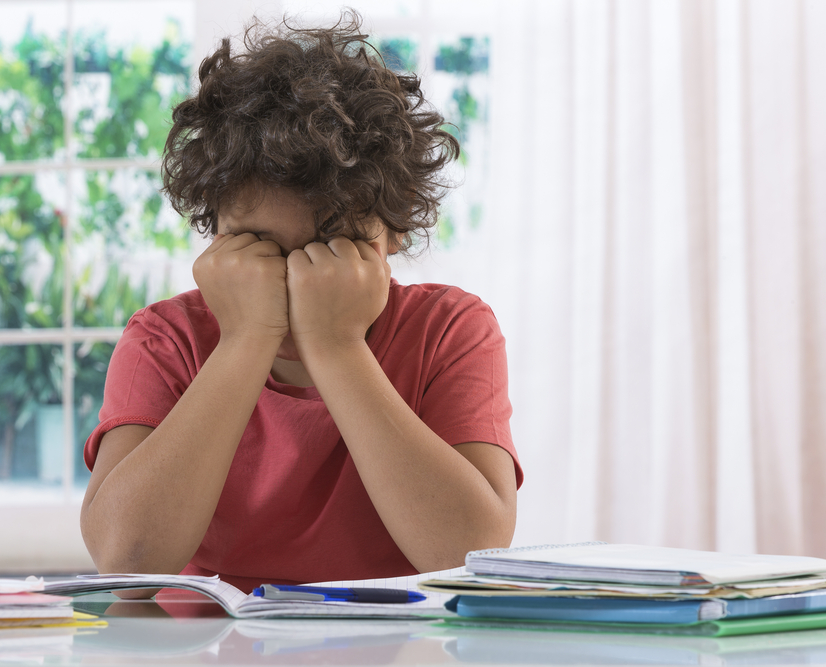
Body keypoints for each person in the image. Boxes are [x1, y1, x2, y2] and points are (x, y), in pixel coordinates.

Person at [79, 10, 522, 595]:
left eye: (333, 248)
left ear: (394, 232)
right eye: (259, 247)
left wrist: (336, 346)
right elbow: (126, 562)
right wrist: (244, 339)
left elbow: (471, 555)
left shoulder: (451, 330)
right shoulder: (166, 340)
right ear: (214, 227)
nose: (299, 280)